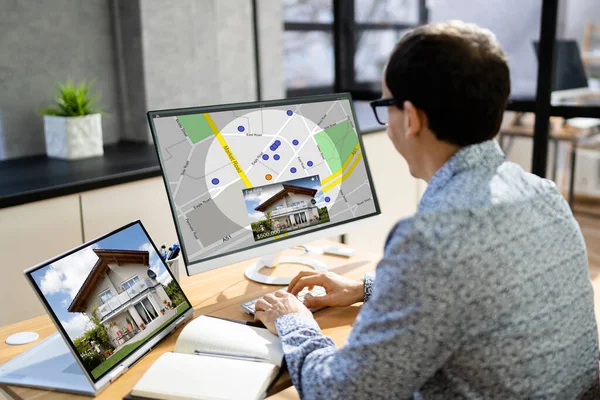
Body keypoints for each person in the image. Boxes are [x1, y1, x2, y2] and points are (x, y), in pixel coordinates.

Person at [254, 21, 600, 399]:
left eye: (385, 107)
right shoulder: (544, 194)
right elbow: (482, 294)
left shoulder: (432, 237)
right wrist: (365, 289)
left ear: (413, 118)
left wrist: (293, 321)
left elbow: (340, 393)